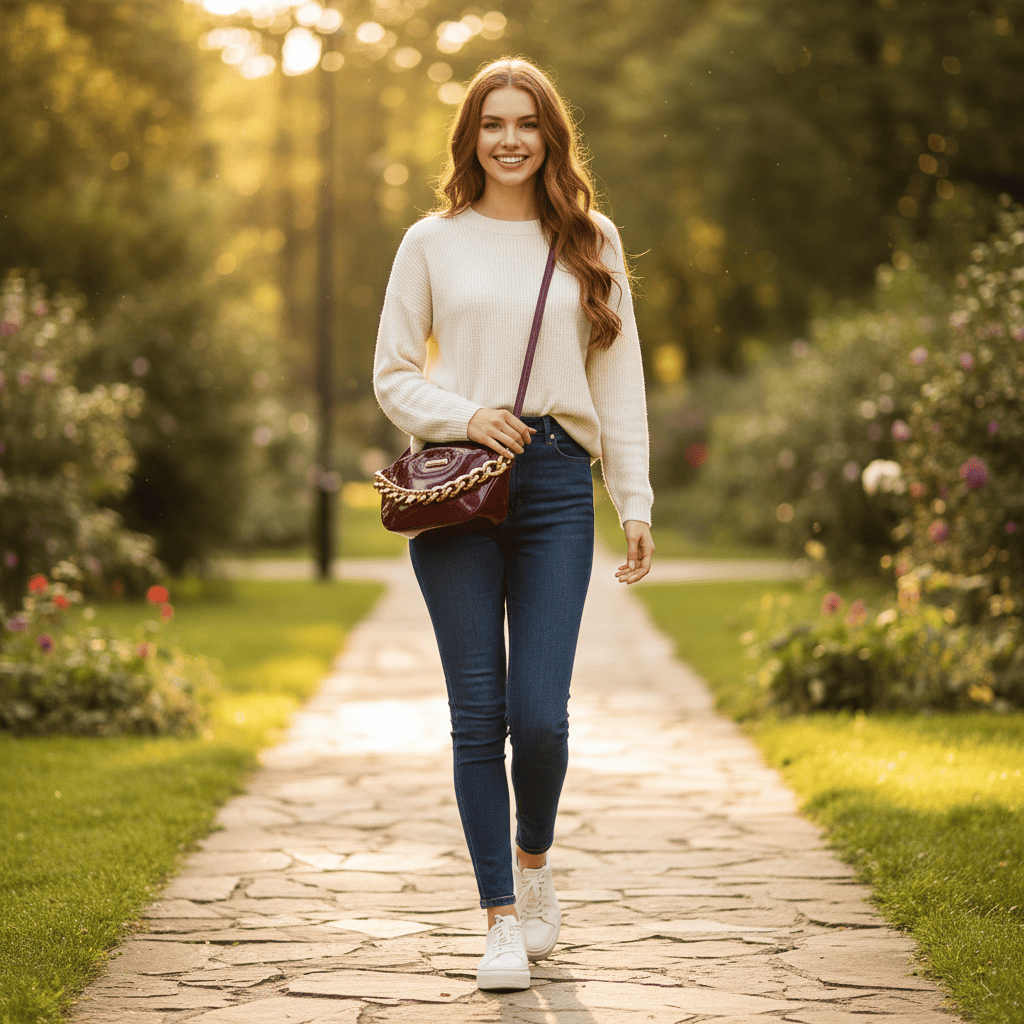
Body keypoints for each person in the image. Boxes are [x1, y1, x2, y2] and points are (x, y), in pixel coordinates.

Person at [372, 57, 654, 991]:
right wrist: (463, 414)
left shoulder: (589, 237)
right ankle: (498, 917)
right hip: (460, 492)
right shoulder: (430, 241)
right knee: (475, 717)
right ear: (470, 136)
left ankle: (534, 870)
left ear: (549, 135)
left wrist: (635, 501)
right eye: (491, 122)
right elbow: (392, 374)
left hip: (555, 488)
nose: (508, 138)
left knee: (538, 719)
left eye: (525, 122)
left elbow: (619, 380)